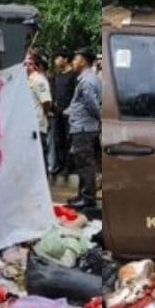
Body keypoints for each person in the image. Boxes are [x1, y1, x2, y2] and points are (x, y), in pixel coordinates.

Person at [66, 48, 100, 208]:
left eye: (75, 59)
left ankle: (87, 198)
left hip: (84, 128)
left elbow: (92, 104)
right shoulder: (85, 79)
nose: (73, 62)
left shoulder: (86, 81)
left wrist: (101, 119)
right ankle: (82, 195)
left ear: (84, 61)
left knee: (85, 164)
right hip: (82, 127)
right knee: (82, 163)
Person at [49, 51, 77, 179]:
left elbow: (76, 96)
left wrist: (70, 109)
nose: (55, 60)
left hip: (69, 114)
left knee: (68, 139)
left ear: (65, 59)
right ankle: (59, 165)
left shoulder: (73, 76)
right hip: (57, 112)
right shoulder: (57, 76)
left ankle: (68, 166)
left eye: (57, 57)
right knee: (58, 139)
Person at [25, 52, 53, 170]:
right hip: (27, 126)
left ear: (32, 64)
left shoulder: (38, 80)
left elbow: (46, 101)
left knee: (40, 158)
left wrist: (44, 114)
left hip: (37, 125)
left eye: (25, 62)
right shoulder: (26, 80)